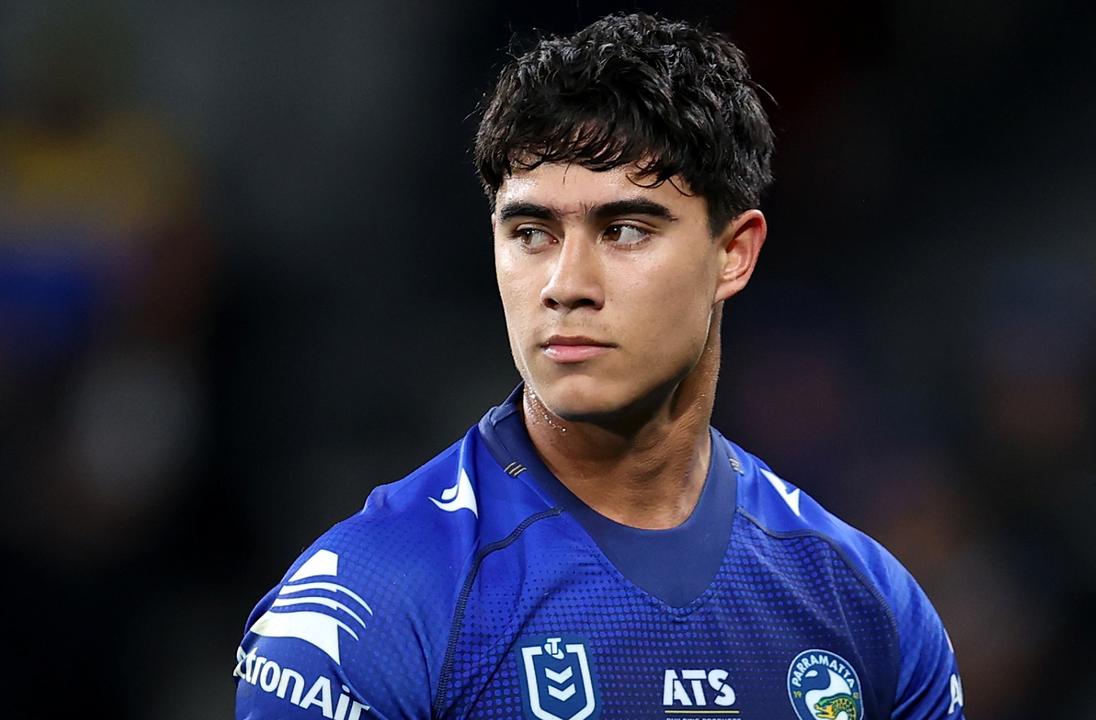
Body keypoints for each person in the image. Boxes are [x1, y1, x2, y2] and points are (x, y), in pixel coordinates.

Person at [234, 12, 965, 720]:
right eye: (530, 232)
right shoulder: (367, 608)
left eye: (622, 229)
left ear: (733, 253)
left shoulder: (868, 608)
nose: (565, 283)